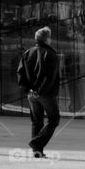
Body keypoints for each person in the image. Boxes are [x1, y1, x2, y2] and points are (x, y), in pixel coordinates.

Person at [16, 26, 61, 158]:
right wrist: (40, 91)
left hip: (31, 94)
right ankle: (37, 143)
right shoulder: (51, 54)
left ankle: (37, 152)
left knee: (37, 121)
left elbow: (20, 73)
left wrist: (28, 90)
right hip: (45, 94)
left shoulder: (28, 53)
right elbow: (49, 77)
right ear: (47, 39)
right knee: (54, 118)